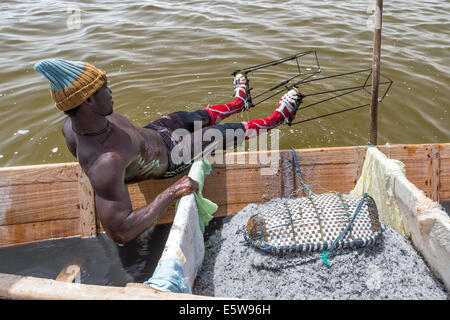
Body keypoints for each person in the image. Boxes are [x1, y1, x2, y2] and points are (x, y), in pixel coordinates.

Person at [34, 58, 303, 244]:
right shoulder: (106, 162)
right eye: (105, 88)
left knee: (191, 116)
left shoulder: (71, 123)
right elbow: (121, 232)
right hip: (169, 159)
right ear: (90, 100)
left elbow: (83, 151)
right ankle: (279, 118)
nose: (111, 91)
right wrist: (172, 191)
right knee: (223, 133)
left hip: (153, 133)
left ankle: (239, 101)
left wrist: (128, 169)